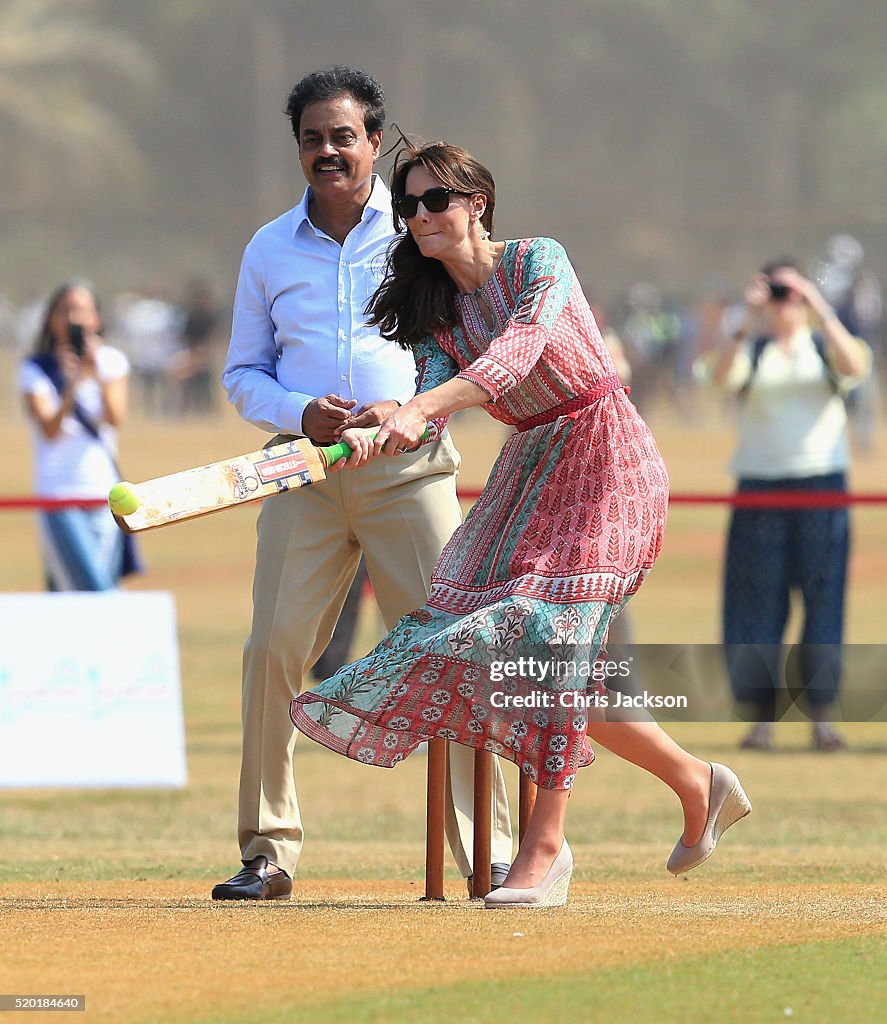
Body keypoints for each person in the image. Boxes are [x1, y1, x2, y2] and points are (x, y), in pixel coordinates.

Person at [291, 141, 752, 908]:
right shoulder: (434, 308)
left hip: (606, 456)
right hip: (530, 471)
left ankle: (543, 850)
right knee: (530, 661)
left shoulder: (540, 258)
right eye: (407, 207)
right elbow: (437, 401)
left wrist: (419, 409)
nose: (420, 217)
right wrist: (386, 416)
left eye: (435, 200)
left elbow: (515, 356)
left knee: (553, 641)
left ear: (476, 202)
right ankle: (698, 782)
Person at [213, 69, 512, 902]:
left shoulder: (418, 227)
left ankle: (488, 854)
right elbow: (241, 372)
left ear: (374, 143)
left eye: (342, 136)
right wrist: (300, 410)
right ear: (298, 148)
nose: (327, 151)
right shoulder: (268, 247)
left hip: (407, 471)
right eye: (312, 138)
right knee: (271, 651)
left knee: (449, 651)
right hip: (302, 474)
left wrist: (411, 403)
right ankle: (266, 853)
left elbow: (470, 339)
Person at [712, 259, 871, 752]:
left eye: (791, 292)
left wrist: (819, 302)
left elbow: (856, 366)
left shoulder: (823, 346)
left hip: (823, 486)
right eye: (777, 291)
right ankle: (761, 718)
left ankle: (821, 716)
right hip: (760, 487)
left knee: (824, 603)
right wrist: (747, 316)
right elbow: (721, 379)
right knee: (754, 605)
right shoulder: (752, 347)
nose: (785, 302)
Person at [18, 280, 130, 590]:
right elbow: (50, 429)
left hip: (104, 491)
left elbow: (114, 418)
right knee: (95, 589)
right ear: (51, 319)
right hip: (58, 492)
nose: (74, 319)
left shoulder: (111, 362)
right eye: (65, 311)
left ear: (97, 318)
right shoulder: (36, 368)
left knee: (81, 588)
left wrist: (96, 374)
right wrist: (73, 384)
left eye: (81, 311)